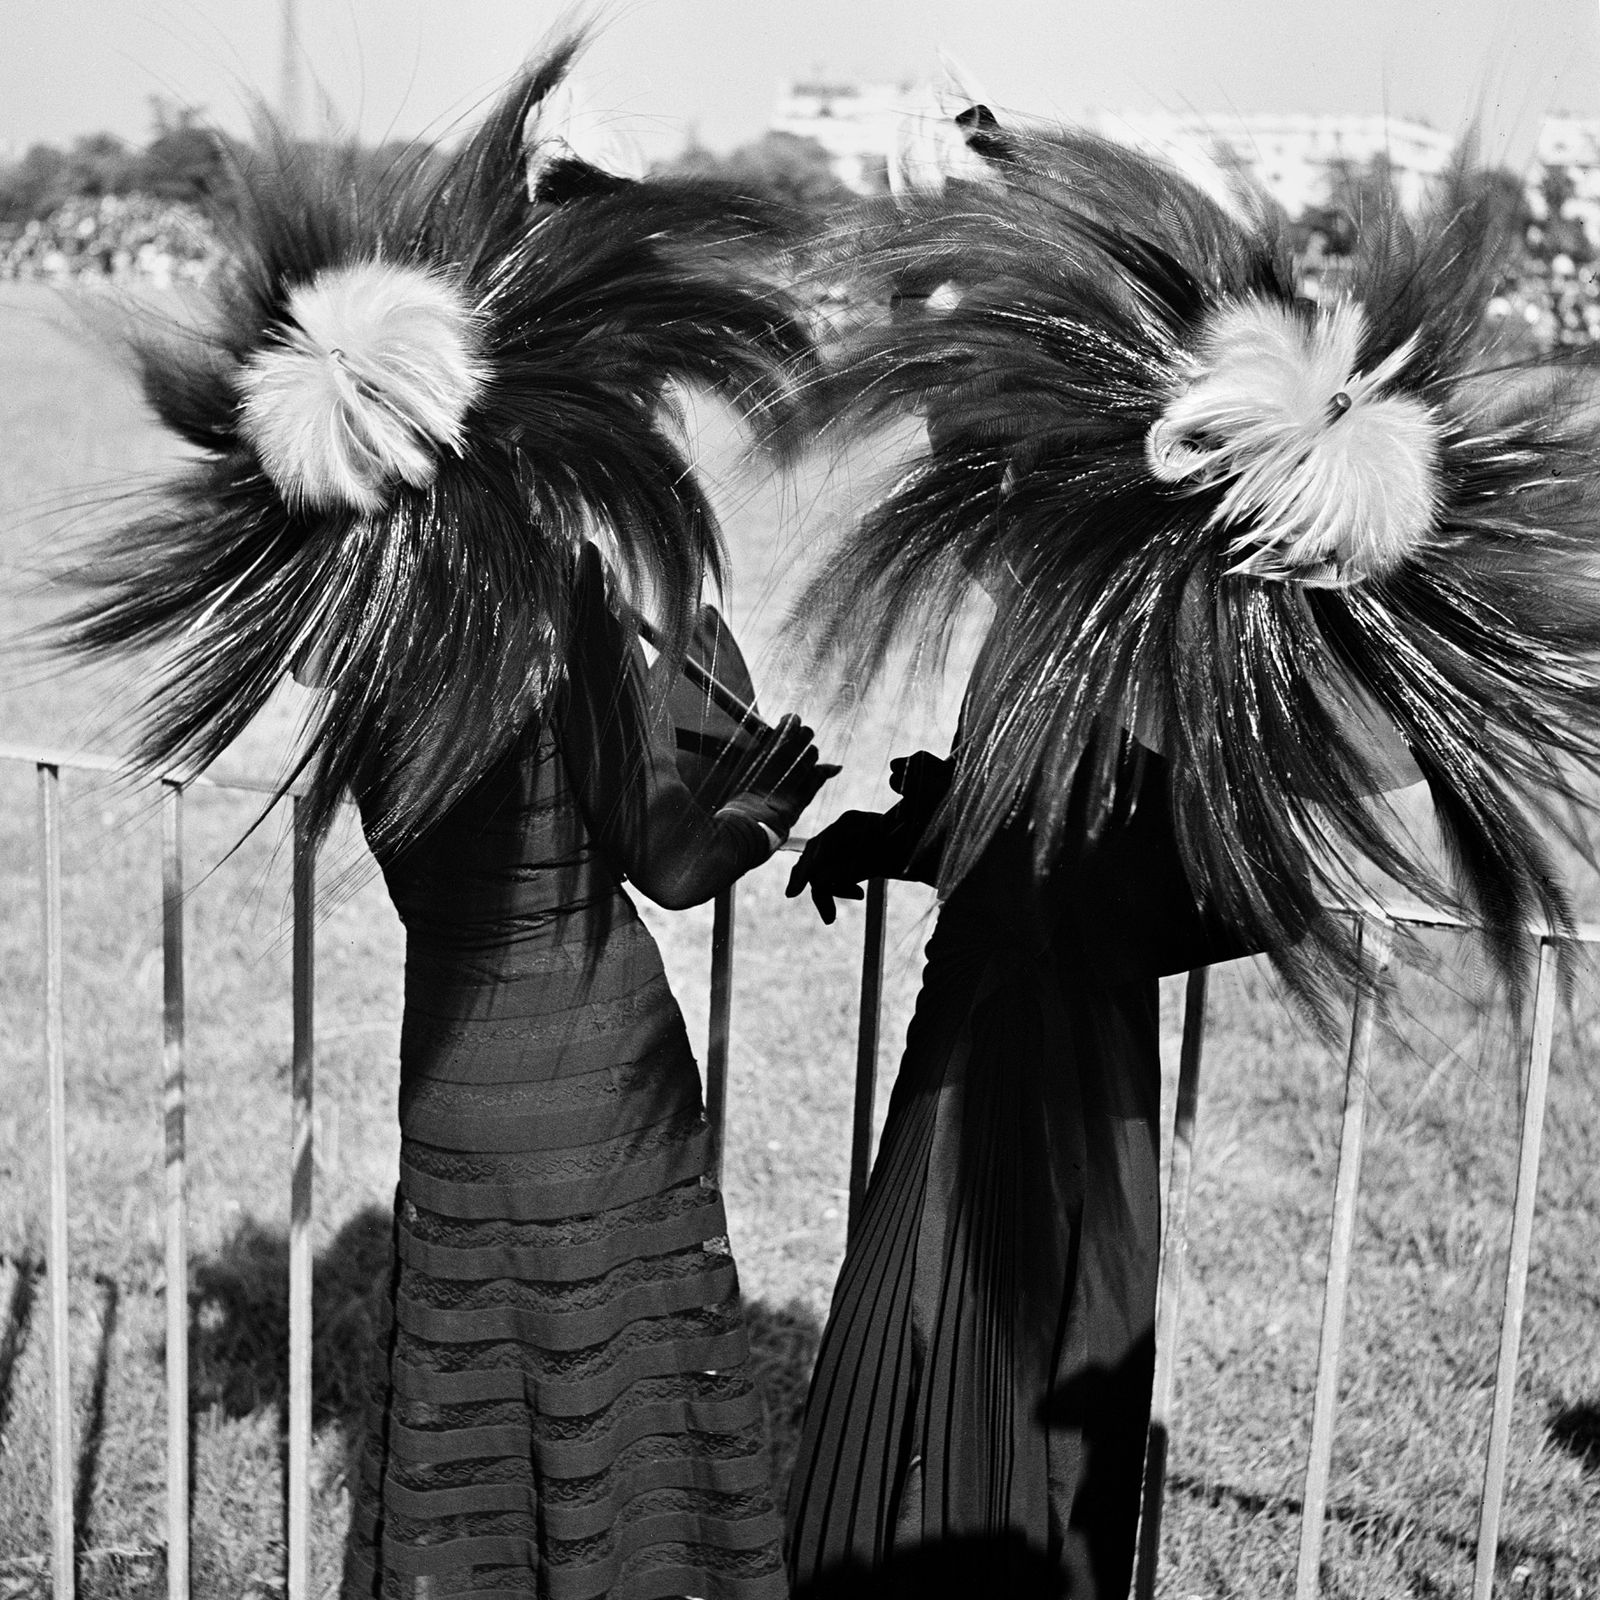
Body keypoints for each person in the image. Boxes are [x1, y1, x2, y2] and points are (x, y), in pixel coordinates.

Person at [343, 543, 834, 1598]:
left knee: (489, 1454)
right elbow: (673, 861)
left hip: (450, 1096)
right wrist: (761, 810)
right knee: (623, 1441)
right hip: (601, 1101)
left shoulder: (359, 603)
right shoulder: (550, 592)